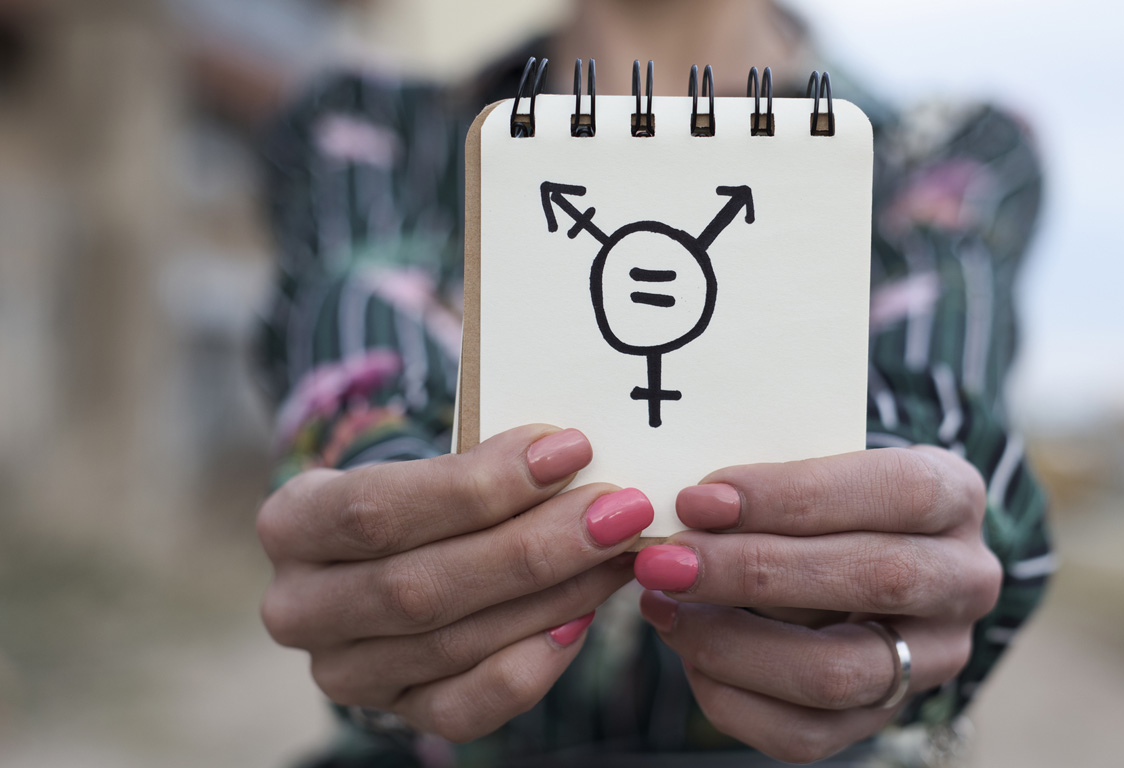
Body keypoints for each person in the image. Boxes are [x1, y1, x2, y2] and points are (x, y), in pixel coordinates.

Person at [253, 1, 1052, 765]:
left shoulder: (945, 149)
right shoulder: (368, 128)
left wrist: (905, 566)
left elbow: (944, 427)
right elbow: (359, 396)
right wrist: (379, 550)